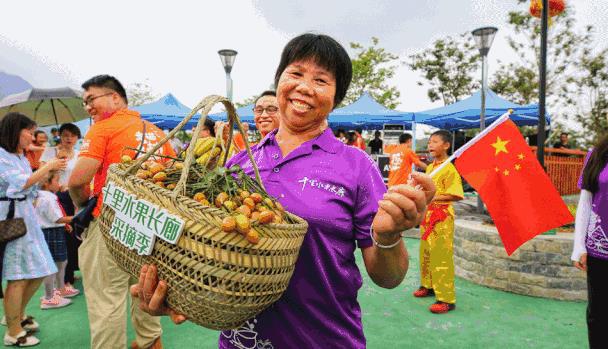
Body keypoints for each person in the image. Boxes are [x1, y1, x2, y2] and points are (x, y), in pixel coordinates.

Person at [131, 33, 436, 348]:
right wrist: (179, 295)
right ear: (279, 82)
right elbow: (215, 254)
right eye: (296, 73)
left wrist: (388, 238)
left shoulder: (356, 166)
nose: (304, 86)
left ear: (336, 97)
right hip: (240, 341)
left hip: (324, 339)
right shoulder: (238, 165)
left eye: (321, 80)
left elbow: (388, 278)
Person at [68, 75, 175, 349]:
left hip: (108, 225)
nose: (88, 107)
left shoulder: (103, 129)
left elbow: (78, 180)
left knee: (107, 302)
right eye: (84, 103)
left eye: (91, 99)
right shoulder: (157, 132)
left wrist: (83, 207)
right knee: (145, 295)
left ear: (115, 97)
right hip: (149, 230)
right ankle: (151, 344)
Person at [0, 112, 67, 347]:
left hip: (26, 219)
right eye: (29, 130)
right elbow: (21, 183)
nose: (33, 136)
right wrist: (47, 166)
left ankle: (16, 316)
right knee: (17, 276)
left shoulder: (17, 156)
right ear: (14, 131)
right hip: (12, 221)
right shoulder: (2, 156)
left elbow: (29, 186)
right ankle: (13, 331)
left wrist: (49, 171)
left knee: (39, 270)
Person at [413, 130, 463, 314]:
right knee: (425, 252)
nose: (430, 145)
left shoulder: (449, 168)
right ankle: (428, 285)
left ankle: (446, 298)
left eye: (435, 142)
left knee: (441, 255)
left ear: (446, 145)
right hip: (427, 215)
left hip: (442, 217)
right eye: (429, 142)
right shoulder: (430, 167)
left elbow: (456, 194)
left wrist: (432, 196)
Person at [572, 138, 608, 349]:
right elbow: (585, 202)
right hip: (599, 249)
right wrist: (579, 246)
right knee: (598, 314)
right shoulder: (597, 154)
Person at [40, 123, 82, 292]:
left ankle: (71, 271)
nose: (69, 139)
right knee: (63, 236)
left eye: (72, 135)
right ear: (59, 136)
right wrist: (55, 162)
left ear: (77, 138)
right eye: (65, 135)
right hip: (56, 198)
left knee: (75, 235)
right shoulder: (50, 152)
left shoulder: (79, 155)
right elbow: (42, 174)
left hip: (74, 197)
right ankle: (64, 280)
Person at [34, 171, 77, 309]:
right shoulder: (48, 198)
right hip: (51, 231)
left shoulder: (42, 196)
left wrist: (65, 224)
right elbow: (57, 218)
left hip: (50, 231)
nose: (59, 184)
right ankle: (49, 297)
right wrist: (77, 217)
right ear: (47, 183)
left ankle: (59, 290)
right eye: (57, 181)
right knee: (53, 265)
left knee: (60, 262)